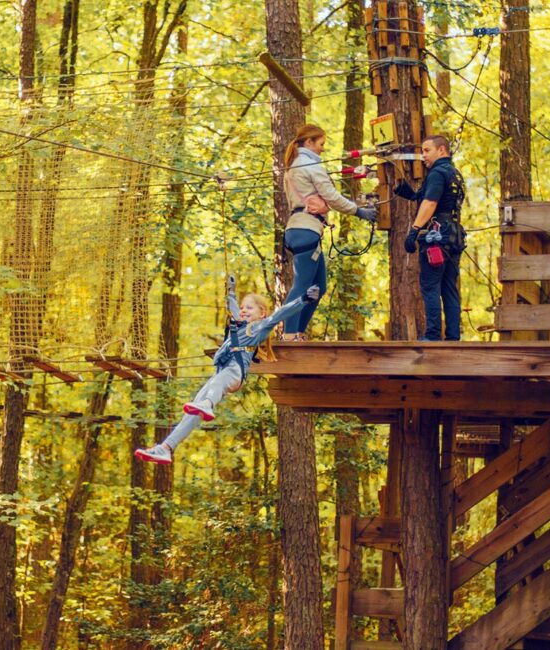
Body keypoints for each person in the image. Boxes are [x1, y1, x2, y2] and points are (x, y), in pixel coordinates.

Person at [134, 275, 320, 464]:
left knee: (214, 387)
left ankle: (207, 404)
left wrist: (303, 299)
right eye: (242, 308)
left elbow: (281, 314)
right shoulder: (239, 326)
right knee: (192, 413)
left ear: (262, 313)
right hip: (222, 373)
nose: (243, 310)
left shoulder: (259, 328)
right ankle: (166, 447)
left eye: (249, 307)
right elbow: (232, 307)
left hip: (234, 371)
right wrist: (231, 291)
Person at [281, 124, 378, 341]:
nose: (323, 149)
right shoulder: (310, 165)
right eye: (321, 144)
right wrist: (359, 211)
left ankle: (298, 331)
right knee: (302, 285)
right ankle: (289, 335)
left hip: (304, 229)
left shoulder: (296, 165)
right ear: (309, 143)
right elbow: (332, 197)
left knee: (318, 287)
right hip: (305, 229)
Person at [395, 134, 466, 341]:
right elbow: (435, 199)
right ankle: (453, 338)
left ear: (441, 150)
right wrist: (412, 194)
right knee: (449, 288)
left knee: (430, 285)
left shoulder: (437, 172)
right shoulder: (455, 174)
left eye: (427, 150)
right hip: (453, 236)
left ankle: (433, 336)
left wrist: (414, 230)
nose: (423, 155)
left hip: (437, 236)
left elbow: (431, 203)